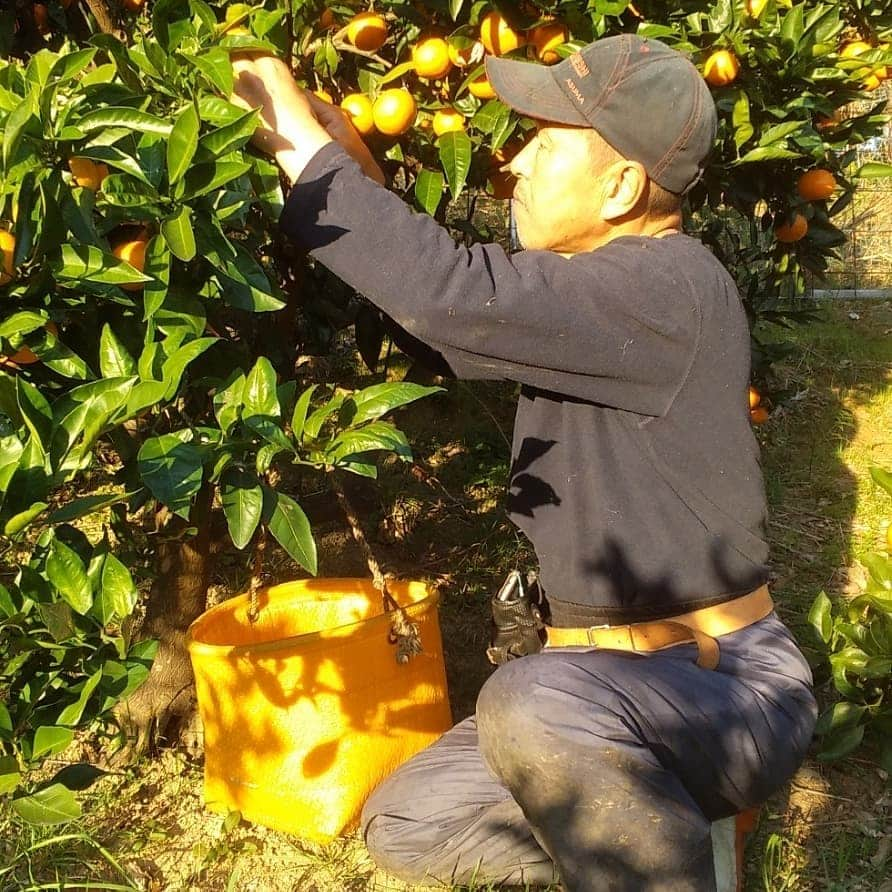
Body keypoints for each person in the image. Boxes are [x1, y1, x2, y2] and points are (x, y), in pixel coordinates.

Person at [231, 34, 817, 892]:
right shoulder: (594, 296)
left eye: (545, 143)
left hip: (723, 690)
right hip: (601, 686)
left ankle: (668, 864)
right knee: (409, 821)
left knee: (529, 703)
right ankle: (663, 830)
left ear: (620, 187)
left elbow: (456, 295)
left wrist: (297, 138)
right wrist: (345, 164)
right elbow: (447, 325)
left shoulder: (670, 288)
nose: (514, 167)